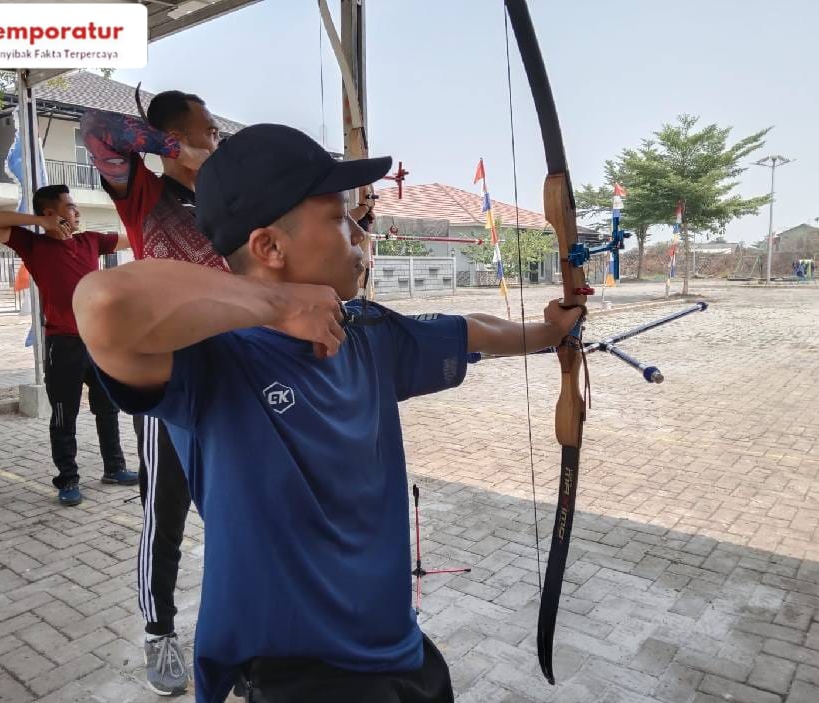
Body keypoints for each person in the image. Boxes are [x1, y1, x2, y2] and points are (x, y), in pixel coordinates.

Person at [73, 123, 582, 703]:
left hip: (397, 647)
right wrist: (279, 304)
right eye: (341, 219)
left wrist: (548, 331)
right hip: (296, 671)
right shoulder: (209, 361)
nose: (361, 235)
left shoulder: (365, 331)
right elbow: (104, 302)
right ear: (269, 247)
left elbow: (473, 329)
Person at [79, 89, 222, 696]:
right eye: (207, 130)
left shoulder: (227, 204)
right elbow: (94, 127)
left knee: (232, 515)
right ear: (177, 136)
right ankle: (159, 633)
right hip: (165, 383)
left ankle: (236, 633)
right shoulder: (145, 194)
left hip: (229, 381)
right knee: (163, 515)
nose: (215, 140)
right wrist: (176, 149)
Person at [0, 185, 137, 506]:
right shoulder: (32, 245)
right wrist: (38, 221)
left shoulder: (90, 240)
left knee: (108, 406)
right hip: (62, 344)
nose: (76, 212)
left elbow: (131, 238)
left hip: (99, 341)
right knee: (65, 413)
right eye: (70, 206)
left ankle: (114, 467)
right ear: (50, 213)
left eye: (76, 207)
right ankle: (68, 479)